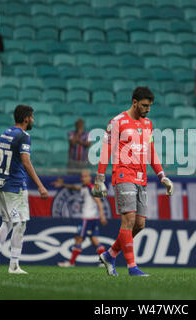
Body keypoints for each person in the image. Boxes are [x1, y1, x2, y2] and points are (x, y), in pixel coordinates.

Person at [93, 87, 173, 277]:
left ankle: (110, 255)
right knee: (128, 220)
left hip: (141, 177)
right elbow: (106, 150)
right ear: (134, 102)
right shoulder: (117, 122)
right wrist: (99, 178)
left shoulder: (148, 124)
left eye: (150, 106)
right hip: (123, 175)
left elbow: (151, 152)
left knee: (139, 224)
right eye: (144, 105)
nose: (148, 109)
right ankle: (132, 267)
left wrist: (162, 176)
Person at [0, 105, 49, 275]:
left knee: (12, 223)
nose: (33, 120)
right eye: (32, 117)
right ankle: (7, 264)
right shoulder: (23, 136)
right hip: (15, 187)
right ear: (26, 118)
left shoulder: (4, 133)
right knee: (17, 223)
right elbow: (26, 161)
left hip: (5, 184)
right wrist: (41, 185)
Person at [53, 170, 107, 267]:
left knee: (78, 238)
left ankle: (71, 262)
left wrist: (102, 216)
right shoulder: (84, 187)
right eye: (82, 176)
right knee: (94, 240)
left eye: (85, 176)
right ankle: (106, 261)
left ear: (90, 177)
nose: (83, 178)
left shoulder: (91, 188)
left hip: (88, 218)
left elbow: (99, 202)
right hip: (92, 218)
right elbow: (74, 187)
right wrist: (63, 184)